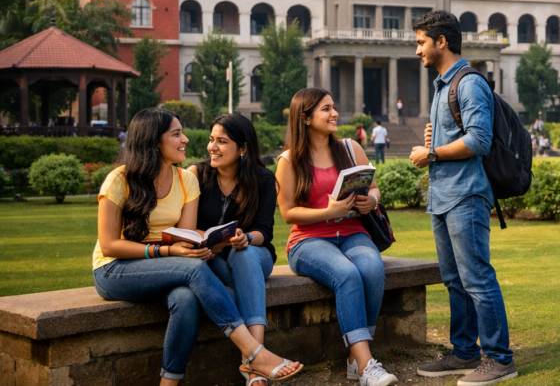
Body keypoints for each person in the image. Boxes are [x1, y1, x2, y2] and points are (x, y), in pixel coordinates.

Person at [92, 108, 303, 386]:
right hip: (114, 270)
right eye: (177, 134)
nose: (187, 140)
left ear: (242, 148)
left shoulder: (185, 179)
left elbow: (186, 234)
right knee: (194, 270)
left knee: (186, 299)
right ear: (154, 141)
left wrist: (200, 246)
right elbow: (109, 245)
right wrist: (165, 251)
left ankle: (169, 384)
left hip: (166, 267)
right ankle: (254, 353)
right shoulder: (120, 179)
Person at [410, 10, 517, 385]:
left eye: (422, 41)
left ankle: (500, 358)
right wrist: (434, 144)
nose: (417, 49)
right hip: (443, 195)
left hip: (466, 195)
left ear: (442, 41)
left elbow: (479, 140)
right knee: (454, 279)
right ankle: (465, 352)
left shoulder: (468, 83)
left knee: (477, 278)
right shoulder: (443, 84)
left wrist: (433, 153)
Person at [277, 88, 395, 386]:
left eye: (334, 107)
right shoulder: (289, 160)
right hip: (308, 240)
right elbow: (289, 213)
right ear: (305, 118)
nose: (334, 114)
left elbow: (375, 187)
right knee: (347, 274)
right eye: (326, 109)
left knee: (371, 268)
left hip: (353, 231)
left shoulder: (350, 148)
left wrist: (372, 200)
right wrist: (327, 212)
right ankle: (367, 365)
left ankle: (357, 359)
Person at [189, 114, 278, 373]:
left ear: (243, 148)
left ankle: (254, 358)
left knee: (245, 254)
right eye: (211, 139)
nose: (212, 147)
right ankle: (257, 362)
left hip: (253, 255)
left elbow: (264, 231)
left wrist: (246, 238)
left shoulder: (262, 179)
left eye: (222, 141)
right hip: (210, 258)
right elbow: (184, 227)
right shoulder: (196, 174)